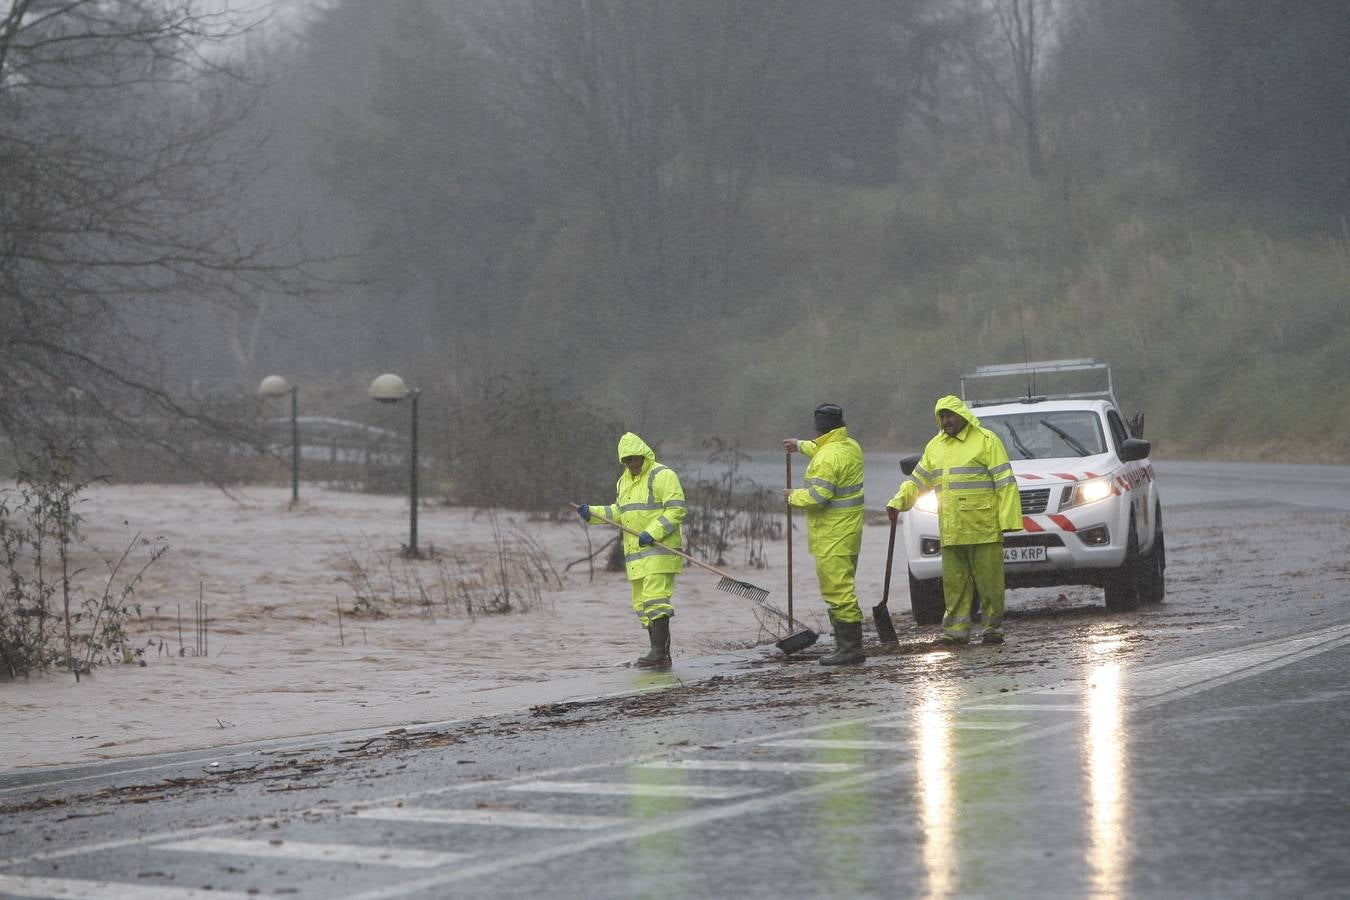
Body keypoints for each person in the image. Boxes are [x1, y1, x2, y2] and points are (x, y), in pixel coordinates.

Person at [887, 395, 1022, 645]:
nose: (946, 421)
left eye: (950, 415)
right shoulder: (934, 447)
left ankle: (993, 630)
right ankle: (955, 632)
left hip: (984, 529)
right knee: (954, 586)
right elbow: (917, 482)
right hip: (951, 530)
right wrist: (898, 501)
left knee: (990, 585)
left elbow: (1005, 483)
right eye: (942, 416)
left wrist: (1009, 520)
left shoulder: (986, 441)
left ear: (962, 415)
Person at [576, 432, 686, 668]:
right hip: (636, 556)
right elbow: (619, 512)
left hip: (660, 550)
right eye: (628, 460)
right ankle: (659, 654)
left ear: (644, 455)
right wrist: (592, 513)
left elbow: (676, 509)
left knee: (656, 600)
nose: (633, 464)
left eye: (636, 459)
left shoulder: (663, 475)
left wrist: (654, 532)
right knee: (642, 606)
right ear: (623, 461)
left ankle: (659, 653)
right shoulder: (623, 481)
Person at [783, 403, 866, 665]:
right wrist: (799, 445)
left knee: (838, 591)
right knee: (843, 587)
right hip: (848, 532)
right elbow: (821, 447)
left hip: (833, 535)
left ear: (819, 427)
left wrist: (793, 496)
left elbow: (819, 496)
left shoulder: (828, 457)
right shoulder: (849, 446)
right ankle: (847, 645)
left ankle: (850, 648)